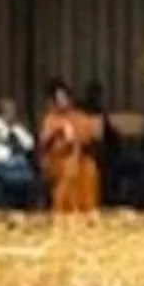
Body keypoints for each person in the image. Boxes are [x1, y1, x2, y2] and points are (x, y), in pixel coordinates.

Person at [40, 79, 101, 215]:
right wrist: (59, 134)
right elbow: (45, 143)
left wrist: (77, 140)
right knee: (69, 169)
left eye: (65, 98)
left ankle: (87, 208)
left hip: (80, 158)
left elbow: (90, 138)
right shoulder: (51, 119)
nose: (63, 102)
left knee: (89, 169)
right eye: (59, 99)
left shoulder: (80, 117)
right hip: (58, 160)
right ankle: (65, 209)